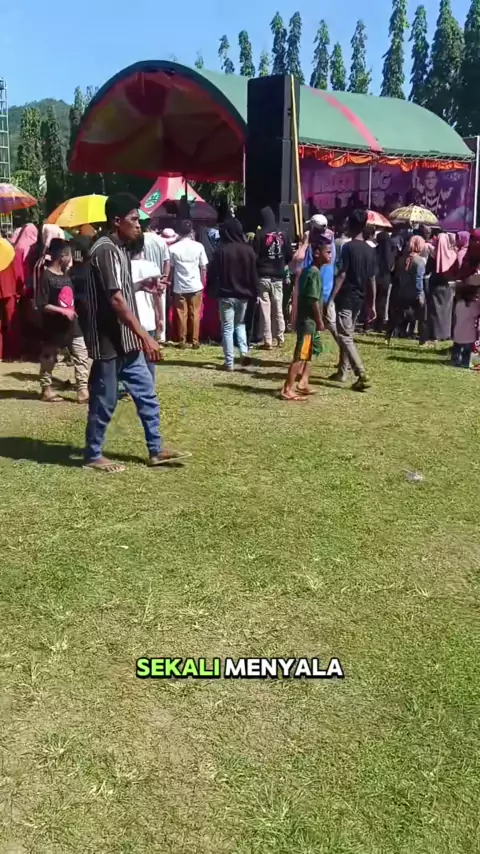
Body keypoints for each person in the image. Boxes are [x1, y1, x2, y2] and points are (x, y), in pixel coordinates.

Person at [84, 192, 188, 472]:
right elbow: (116, 300)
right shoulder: (104, 250)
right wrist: (146, 336)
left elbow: (119, 290)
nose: (139, 225)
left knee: (146, 394)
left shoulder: (120, 249)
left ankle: (156, 449)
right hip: (109, 341)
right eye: (133, 219)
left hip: (127, 341)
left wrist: (141, 286)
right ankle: (93, 455)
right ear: (117, 221)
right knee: (105, 401)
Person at [35, 238, 90, 403]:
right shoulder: (46, 276)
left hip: (72, 324)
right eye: (69, 255)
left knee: (81, 354)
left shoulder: (67, 275)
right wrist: (62, 311)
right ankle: (46, 389)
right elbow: (41, 304)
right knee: (49, 357)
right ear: (62, 255)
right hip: (53, 326)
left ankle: (82, 390)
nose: (71, 258)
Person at [327, 209, 376, 391]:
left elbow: (342, 274)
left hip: (347, 296)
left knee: (345, 336)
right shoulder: (370, 250)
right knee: (348, 332)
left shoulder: (348, 247)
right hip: (360, 297)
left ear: (352, 225)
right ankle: (342, 372)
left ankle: (361, 373)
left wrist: (331, 297)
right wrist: (372, 304)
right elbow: (372, 280)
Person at [207, 217, 260, 371]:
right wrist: (256, 292)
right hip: (244, 295)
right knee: (240, 324)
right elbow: (254, 274)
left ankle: (229, 362)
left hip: (226, 294)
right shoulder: (248, 250)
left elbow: (213, 273)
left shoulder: (221, 250)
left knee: (227, 328)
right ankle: (244, 352)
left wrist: (211, 289)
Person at [281, 238, 330, 401]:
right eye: (328, 252)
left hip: (309, 321)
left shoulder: (309, 270)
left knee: (309, 351)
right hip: (308, 321)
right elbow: (313, 300)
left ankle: (303, 383)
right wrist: (320, 320)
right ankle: (287, 388)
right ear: (316, 253)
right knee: (301, 354)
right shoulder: (313, 273)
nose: (330, 255)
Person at [254, 206, 293, 349]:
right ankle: (280, 337)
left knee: (265, 309)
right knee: (278, 308)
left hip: (263, 276)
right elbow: (289, 255)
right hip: (278, 276)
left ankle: (267, 340)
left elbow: (255, 256)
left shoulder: (259, 235)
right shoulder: (284, 234)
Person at [169, 219, 208, 349]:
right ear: (191, 231)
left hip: (179, 285)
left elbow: (171, 268)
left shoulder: (173, 248)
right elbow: (203, 267)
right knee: (195, 313)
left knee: (181, 313)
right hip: (195, 284)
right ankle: (195, 340)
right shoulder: (199, 246)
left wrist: (169, 282)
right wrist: (202, 281)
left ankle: (182, 339)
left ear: (179, 232)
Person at [386, 236, 426, 344]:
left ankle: (393, 334)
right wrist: (420, 294)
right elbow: (418, 279)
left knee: (399, 315)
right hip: (414, 293)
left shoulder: (401, 259)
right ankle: (422, 340)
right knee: (422, 317)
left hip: (402, 291)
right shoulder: (419, 261)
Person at [424, 232, 457, 346]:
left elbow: (427, 269)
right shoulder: (453, 254)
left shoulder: (434, 255)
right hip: (447, 285)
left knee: (435, 310)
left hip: (435, 283)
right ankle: (446, 333)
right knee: (446, 310)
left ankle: (435, 334)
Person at [143, 224, 170, 344]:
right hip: (159, 279)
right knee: (160, 307)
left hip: (145, 279)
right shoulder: (161, 240)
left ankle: (150, 333)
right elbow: (167, 261)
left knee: (148, 308)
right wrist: (165, 278)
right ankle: (161, 335)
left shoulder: (140, 240)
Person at [451, 284, 480, 368]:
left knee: (457, 347)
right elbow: (477, 313)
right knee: (467, 350)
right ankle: (465, 363)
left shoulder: (459, 303)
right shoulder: (474, 305)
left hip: (458, 330)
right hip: (469, 332)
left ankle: (455, 360)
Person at [375, 231, 395, 331]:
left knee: (374, 300)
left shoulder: (375, 250)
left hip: (375, 277)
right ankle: (380, 322)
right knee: (382, 301)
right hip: (385, 278)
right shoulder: (390, 252)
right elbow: (391, 266)